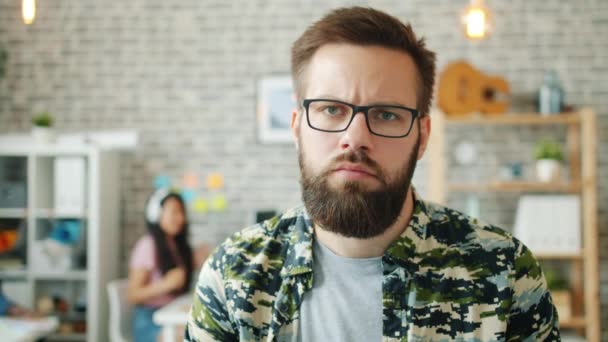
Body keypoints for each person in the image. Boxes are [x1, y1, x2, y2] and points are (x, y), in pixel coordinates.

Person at [185, 6, 559, 341]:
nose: (355, 138)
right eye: (331, 109)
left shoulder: (505, 273)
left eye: (386, 114)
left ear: (422, 136)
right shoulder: (232, 277)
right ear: (297, 128)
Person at [128, 189, 210, 342]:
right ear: (156, 214)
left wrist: (196, 261)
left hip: (171, 312)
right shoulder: (147, 245)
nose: (180, 218)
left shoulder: (176, 246)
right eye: (174, 212)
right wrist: (165, 285)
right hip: (149, 320)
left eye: (181, 213)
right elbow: (133, 295)